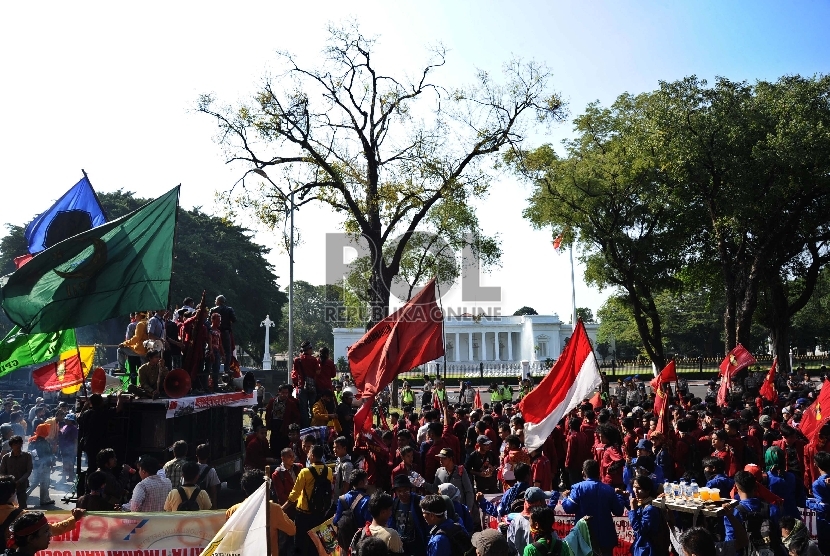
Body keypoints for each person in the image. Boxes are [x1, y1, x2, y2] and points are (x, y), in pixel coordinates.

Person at [561, 459, 625, 556]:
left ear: (583, 472)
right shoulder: (609, 490)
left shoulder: (578, 488)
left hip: (584, 539)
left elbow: (568, 508)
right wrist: (619, 496)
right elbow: (619, 511)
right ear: (598, 472)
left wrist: (565, 498)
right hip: (605, 538)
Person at [226, 469, 296, 556]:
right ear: (264, 488)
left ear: (244, 488)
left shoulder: (233, 510)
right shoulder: (274, 509)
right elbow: (292, 530)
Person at [283, 444, 333, 556]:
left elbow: (294, 494)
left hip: (303, 515)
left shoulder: (305, 472)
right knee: (316, 542)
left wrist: (282, 508)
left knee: (300, 544)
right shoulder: (328, 471)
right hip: (320, 513)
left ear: (313, 455)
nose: (308, 455)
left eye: (309, 453)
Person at [506, 487, 557, 556]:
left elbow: (510, 547)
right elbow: (555, 545)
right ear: (538, 502)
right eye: (543, 500)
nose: (545, 502)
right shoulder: (541, 522)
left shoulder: (515, 522)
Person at [388, 474, 429, 556]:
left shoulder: (419, 502)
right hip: (401, 545)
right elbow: (391, 524)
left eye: (406, 490)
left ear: (410, 489)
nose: (403, 494)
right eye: (399, 491)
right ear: (396, 492)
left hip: (417, 546)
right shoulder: (394, 504)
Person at [432, 448, 475, 517]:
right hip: (444, 509)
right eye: (440, 458)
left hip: (459, 509)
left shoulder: (460, 471)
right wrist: (423, 483)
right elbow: (435, 489)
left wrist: (469, 508)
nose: (441, 460)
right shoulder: (439, 471)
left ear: (450, 459)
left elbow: (468, 490)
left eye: (444, 458)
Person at [805, 451, 830, 555]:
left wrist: (807, 503)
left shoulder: (818, 484)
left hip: (825, 521)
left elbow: (823, 506)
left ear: (816, 465)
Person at [333, 469, 372, 534]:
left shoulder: (342, 499)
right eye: (366, 480)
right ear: (361, 483)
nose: (367, 482)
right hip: (360, 537)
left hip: (346, 538)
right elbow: (369, 522)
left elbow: (335, 521)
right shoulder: (367, 500)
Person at [292, 341, 319, 428]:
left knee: (303, 409)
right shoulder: (314, 360)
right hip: (312, 386)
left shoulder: (297, 360)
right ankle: (313, 425)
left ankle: (305, 426)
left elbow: (294, 373)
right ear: (308, 349)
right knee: (313, 408)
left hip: (301, 386)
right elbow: (318, 372)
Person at [0, 437, 31, 509]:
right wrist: (9, 482)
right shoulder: (6, 457)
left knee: (22, 506)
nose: (18, 446)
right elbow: (2, 472)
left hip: (22, 486)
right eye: (15, 444)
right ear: (11, 446)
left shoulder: (27, 456)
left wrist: (19, 481)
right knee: (9, 507)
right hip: (8, 488)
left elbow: (29, 471)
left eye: (20, 443)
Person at [27, 424, 53, 506]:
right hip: (44, 465)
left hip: (35, 465)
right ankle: (43, 499)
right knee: (44, 482)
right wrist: (51, 464)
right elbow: (48, 455)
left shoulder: (33, 441)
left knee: (36, 481)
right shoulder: (44, 443)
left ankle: (45, 498)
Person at [210, 295, 236, 373]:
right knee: (228, 351)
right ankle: (226, 368)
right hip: (225, 332)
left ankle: (213, 367)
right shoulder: (229, 309)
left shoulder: (213, 310)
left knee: (215, 349)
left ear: (218, 301)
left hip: (215, 332)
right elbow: (234, 319)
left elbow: (209, 321)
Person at [195, 443, 221, 510]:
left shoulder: (192, 468)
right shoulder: (211, 471)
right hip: (205, 503)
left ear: (196, 456)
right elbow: (213, 491)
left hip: (193, 503)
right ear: (208, 456)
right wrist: (214, 507)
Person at [58, 414, 77, 484]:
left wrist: (75, 449)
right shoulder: (65, 426)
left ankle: (69, 477)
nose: (66, 420)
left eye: (67, 420)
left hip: (70, 448)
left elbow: (75, 439)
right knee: (64, 462)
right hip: (63, 448)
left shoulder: (74, 428)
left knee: (70, 463)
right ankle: (66, 477)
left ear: (71, 421)